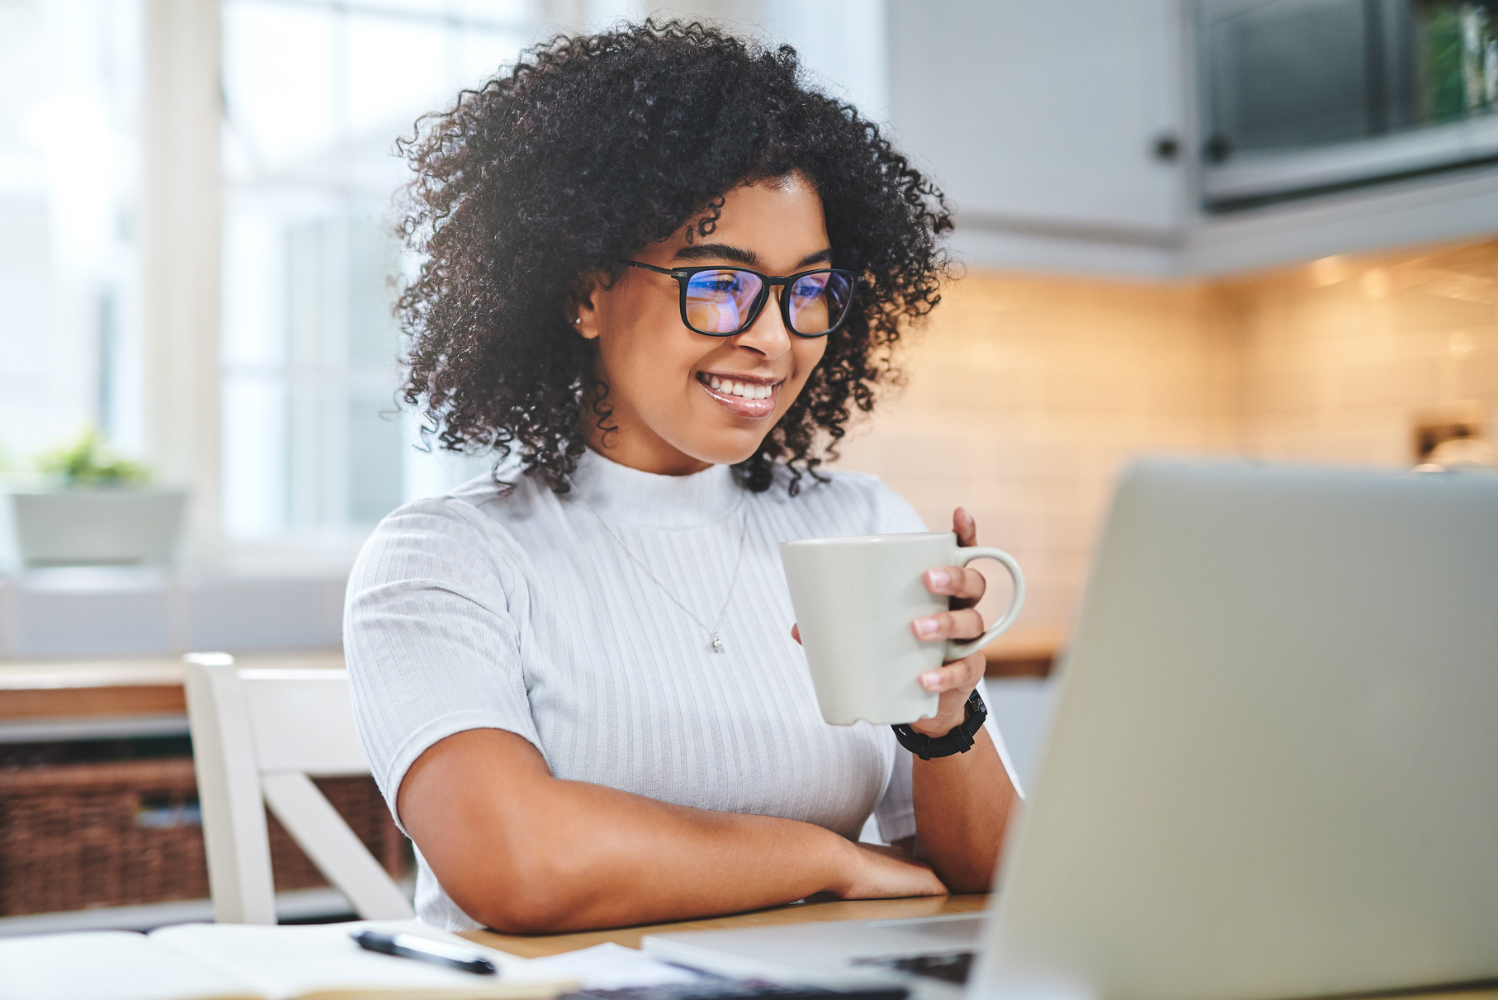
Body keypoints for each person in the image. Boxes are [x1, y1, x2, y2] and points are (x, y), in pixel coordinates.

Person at [345, 20, 1021, 934]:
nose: (775, 338)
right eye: (718, 283)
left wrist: (946, 724)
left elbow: (987, 880)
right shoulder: (447, 558)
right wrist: (824, 858)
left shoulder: (860, 521)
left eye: (809, 290)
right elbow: (518, 863)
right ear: (587, 292)